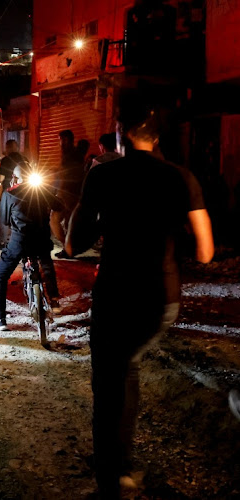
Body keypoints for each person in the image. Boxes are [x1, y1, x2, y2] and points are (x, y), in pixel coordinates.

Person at [65, 93, 214, 499]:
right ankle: (122, 469)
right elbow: (205, 251)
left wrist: (89, 202)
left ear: (122, 133)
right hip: (161, 298)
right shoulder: (181, 177)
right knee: (127, 368)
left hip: (117, 294)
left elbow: (72, 243)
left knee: (108, 384)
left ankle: (111, 479)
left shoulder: (103, 175)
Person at [0, 163, 62, 331]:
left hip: (19, 243)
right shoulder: (43, 190)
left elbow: (5, 220)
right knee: (46, 263)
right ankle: (54, 300)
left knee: (1, 276)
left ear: (15, 178)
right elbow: (59, 206)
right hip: (42, 240)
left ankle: (0, 320)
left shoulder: (9, 194)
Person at [50, 129, 83, 257]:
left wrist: (57, 192)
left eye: (62, 139)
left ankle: (67, 247)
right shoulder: (72, 154)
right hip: (73, 191)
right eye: (60, 140)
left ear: (68, 140)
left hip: (67, 191)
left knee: (54, 219)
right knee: (68, 221)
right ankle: (70, 248)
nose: (60, 142)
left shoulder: (70, 154)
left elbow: (67, 174)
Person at [0, 140, 29, 249]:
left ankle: (4, 241)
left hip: (9, 191)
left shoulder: (6, 160)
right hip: (26, 192)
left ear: (8, 148)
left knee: (4, 216)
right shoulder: (25, 159)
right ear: (18, 147)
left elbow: (1, 178)